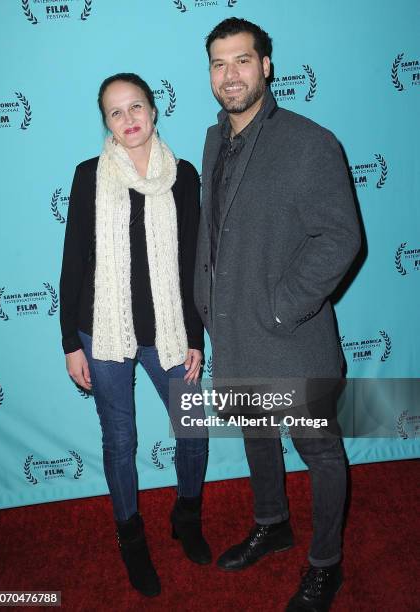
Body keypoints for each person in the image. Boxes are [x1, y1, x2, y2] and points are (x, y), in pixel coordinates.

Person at [194, 18, 361, 612]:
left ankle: (325, 565)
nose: (229, 75)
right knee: (256, 436)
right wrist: (205, 306)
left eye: (242, 61)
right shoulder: (215, 140)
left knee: (319, 452)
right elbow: (213, 234)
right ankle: (273, 523)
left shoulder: (310, 142)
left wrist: (282, 306)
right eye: (218, 63)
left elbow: (341, 238)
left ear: (266, 65)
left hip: (292, 338)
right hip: (234, 335)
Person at [59, 73, 211, 598]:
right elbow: (74, 261)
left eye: (136, 106)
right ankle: (131, 538)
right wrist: (69, 343)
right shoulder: (88, 176)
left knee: (192, 428)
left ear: (153, 110)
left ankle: (186, 517)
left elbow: (193, 262)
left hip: (168, 330)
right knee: (120, 439)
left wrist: (195, 336)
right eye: (116, 112)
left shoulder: (183, 174)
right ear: (105, 121)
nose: (129, 119)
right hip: (100, 330)